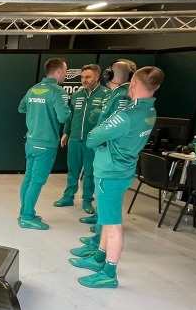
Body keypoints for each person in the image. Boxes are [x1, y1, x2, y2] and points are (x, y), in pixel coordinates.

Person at [69, 66, 164, 288]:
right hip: (124, 169)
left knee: (112, 225)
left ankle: (109, 273)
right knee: (106, 219)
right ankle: (99, 257)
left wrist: (104, 140)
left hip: (110, 172)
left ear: (133, 84)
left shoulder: (127, 115)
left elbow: (93, 138)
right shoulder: (149, 111)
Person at [79, 59, 137, 226]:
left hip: (110, 148)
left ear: (109, 75)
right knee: (103, 190)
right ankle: (99, 217)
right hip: (104, 147)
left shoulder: (122, 95)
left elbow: (113, 123)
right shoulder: (115, 93)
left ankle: (101, 230)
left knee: (107, 190)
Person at [16, 57, 71, 230]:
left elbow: (21, 108)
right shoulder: (58, 92)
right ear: (59, 71)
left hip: (31, 142)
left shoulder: (33, 89)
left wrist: (37, 112)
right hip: (45, 144)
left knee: (29, 178)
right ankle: (26, 217)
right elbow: (63, 116)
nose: (65, 74)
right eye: (65, 71)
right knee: (37, 181)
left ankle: (25, 212)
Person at [54, 64, 107, 213]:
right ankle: (68, 196)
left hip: (93, 141)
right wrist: (66, 132)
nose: (84, 80)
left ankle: (87, 200)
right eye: (82, 77)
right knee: (73, 170)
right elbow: (70, 115)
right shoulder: (77, 94)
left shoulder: (106, 94)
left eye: (88, 77)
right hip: (75, 139)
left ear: (97, 77)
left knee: (89, 172)